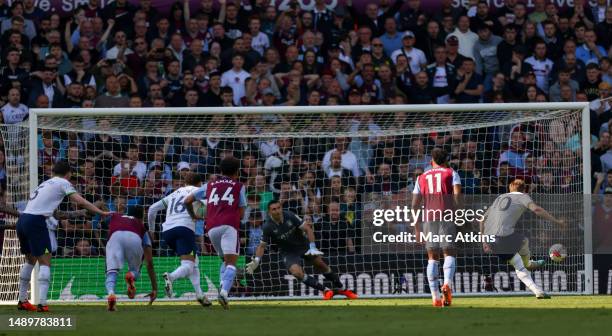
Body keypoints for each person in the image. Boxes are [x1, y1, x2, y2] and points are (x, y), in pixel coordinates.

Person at [15, 161, 110, 312]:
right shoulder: (63, 183)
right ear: (69, 173)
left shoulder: (44, 183)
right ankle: (42, 303)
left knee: (30, 260)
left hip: (23, 220)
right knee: (45, 262)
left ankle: (22, 300)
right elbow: (81, 201)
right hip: (36, 222)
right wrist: (101, 212)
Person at [245, 201, 357, 300]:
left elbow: (308, 228)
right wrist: (257, 260)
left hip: (303, 246)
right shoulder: (267, 226)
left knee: (321, 265)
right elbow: (261, 246)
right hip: (288, 252)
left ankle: (343, 289)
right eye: (274, 209)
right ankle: (326, 290)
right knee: (296, 273)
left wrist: (312, 246)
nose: (277, 211)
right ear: (269, 212)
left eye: (279, 208)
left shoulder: (290, 215)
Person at [479, 179, 565, 299]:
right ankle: (528, 263)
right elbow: (536, 210)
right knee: (524, 241)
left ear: (510, 187)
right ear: (525, 190)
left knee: (517, 264)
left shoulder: (500, 197)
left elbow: (482, 219)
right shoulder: (523, 197)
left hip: (490, 239)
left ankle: (538, 291)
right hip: (503, 237)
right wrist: (556, 221)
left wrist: (483, 240)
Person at [184, 156, 246, 309]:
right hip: (229, 225)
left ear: (221, 170)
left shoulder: (209, 185)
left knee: (224, 261)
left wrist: (194, 216)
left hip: (211, 228)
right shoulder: (239, 186)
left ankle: (221, 287)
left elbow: (187, 200)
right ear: (237, 171)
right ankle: (224, 293)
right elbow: (242, 213)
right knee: (231, 263)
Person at [147, 172, 211, 307]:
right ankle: (171, 277)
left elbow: (152, 209)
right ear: (199, 183)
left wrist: (152, 231)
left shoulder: (174, 194)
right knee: (188, 265)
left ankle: (199, 294)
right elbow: (208, 205)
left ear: (185, 183)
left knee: (194, 260)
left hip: (167, 233)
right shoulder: (198, 191)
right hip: (184, 229)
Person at [412, 148, 461, 307]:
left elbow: (414, 206)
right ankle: (447, 284)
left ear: (431, 161)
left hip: (428, 219)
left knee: (432, 257)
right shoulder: (451, 173)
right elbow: (457, 197)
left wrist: (417, 229)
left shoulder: (421, 177)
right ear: (446, 160)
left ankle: (435, 298)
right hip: (447, 216)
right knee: (449, 253)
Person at [104, 205, 158, 311]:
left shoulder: (116, 216)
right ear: (142, 218)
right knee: (135, 270)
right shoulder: (142, 227)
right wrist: (154, 288)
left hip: (115, 236)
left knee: (112, 272)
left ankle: (111, 294)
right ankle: (132, 275)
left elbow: (104, 222)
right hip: (135, 237)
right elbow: (150, 263)